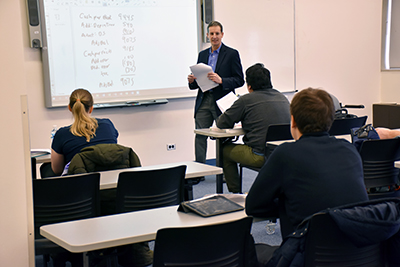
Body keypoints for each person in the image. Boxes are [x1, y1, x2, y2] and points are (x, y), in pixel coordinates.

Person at [245, 88, 369, 264]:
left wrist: (286, 203)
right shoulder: (349, 149)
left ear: (293, 120)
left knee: (253, 250)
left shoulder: (285, 153)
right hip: (357, 255)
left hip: (306, 256)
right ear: (331, 120)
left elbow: (253, 206)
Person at [216, 63, 290, 193]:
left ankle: (235, 193)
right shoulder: (283, 98)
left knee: (224, 151)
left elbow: (222, 123)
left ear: (249, 86)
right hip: (284, 155)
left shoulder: (246, 100)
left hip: (260, 155)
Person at [188, 21, 244, 166]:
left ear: (222, 35)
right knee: (200, 135)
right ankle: (199, 171)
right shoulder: (202, 55)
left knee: (224, 136)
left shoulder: (232, 54)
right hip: (204, 99)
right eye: (211, 34)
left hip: (222, 100)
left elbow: (239, 80)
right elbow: (196, 85)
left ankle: (225, 170)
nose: (214, 37)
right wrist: (191, 81)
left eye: (217, 33)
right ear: (207, 35)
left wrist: (222, 80)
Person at [51, 88, 119, 175]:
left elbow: (57, 170)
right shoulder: (108, 125)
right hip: (111, 182)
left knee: (46, 170)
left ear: (70, 108)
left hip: (80, 186)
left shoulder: (62, 134)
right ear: (91, 108)